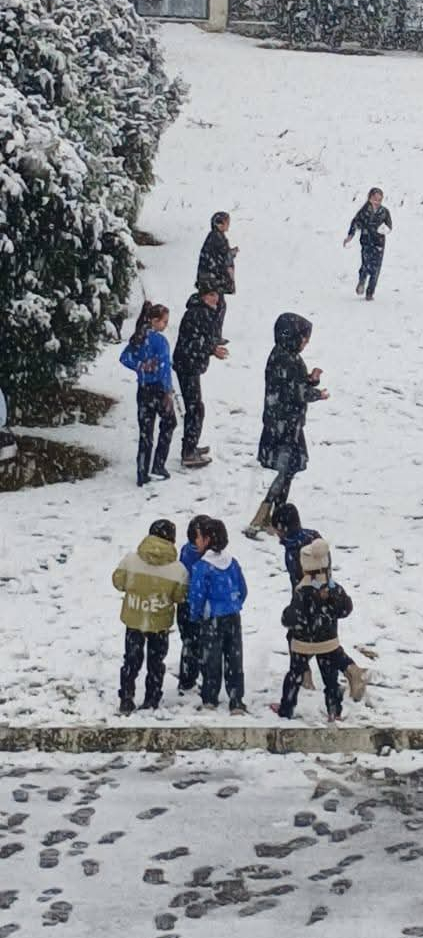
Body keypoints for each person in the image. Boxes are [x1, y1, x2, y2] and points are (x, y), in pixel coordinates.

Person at [245, 313, 328, 537]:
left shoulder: (283, 356)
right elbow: (296, 392)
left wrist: (310, 379)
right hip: (285, 423)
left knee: (288, 468)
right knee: (288, 468)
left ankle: (274, 512)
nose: (306, 343)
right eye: (304, 338)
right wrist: (316, 393)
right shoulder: (288, 360)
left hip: (282, 421)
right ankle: (266, 512)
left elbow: (292, 384)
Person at [270, 510, 367, 700]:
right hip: (328, 598)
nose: (276, 534)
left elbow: (301, 581)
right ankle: (347, 671)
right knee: (327, 643)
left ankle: (311, 678)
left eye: (277, 529)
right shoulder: (313, 537)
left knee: (300, 640)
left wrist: (298, 604)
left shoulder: (294, 549)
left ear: (283, 528)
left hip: (309, 601)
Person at [111, 518, 189, 715]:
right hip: (160, 622)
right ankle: (152, 699)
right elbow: (180, 596)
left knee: (131, 660)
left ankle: (127, 697)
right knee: (156, 662)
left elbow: (118, 582)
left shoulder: (130, 560)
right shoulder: (179, 570)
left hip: (134, 619)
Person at [186, 517, 249, 713]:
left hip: (211, 617)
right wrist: (234, 603)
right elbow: (243, 589)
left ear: (206, 540)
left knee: (211, 659)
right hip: (232, 615)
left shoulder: (202, 566)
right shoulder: (232, 563)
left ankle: (210, 698)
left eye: (198, 538)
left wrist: (195, 615)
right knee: (234, 658)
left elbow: (196, 595)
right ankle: (236, 699)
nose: (196, 542)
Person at [119, 301, 176, 485]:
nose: (165, 325)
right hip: (159, 389)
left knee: (146, 432)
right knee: (169, 423)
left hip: (143, 390)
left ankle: (142, 472)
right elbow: (165, 368)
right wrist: (168, 391)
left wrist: (140, 366)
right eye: (164, 322)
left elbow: (124, 357)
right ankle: (159, 464)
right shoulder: (160, 342)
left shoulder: (138, 338)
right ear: (154, 320)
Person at [173, 281, 229, 469]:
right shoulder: (197, 314)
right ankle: (188, 451)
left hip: (190, 364)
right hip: (186, 365)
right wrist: (213, 349)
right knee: (195, 408)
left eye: (218, 295)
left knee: (195, 407)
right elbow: (194, 342)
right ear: (203, 296)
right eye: (212, 295)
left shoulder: (203, 311)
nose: (217, 299)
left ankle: (191, 446)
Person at [176, 513, 213, 693]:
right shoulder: (204, 557)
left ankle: (187, 678)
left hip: (184, 603)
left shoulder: (185, 550)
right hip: (198, 604)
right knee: (202, 644)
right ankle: (201, 678)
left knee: (188, 643)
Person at [344, 187, 393, 301]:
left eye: (379, 199)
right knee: (366, 265)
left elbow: (389, 226)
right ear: (370, 198)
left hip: (379, 244)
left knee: (376, 269)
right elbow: (355, 223)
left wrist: (383, 229)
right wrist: (350, 236)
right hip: (366, 242)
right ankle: (361, 282)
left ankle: (370, 292)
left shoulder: (384, 212)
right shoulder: (364, 211)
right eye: (375, 199)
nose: (377, 202)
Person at [196, 211, 237, 327]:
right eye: (226, 222)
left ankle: (212, 332)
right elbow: (222, 256)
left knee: (217, 304)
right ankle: (212, 332)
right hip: (212, 279)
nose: (228, 225)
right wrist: (231, 253)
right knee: (216, 305)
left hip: (211, 278)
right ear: (219, 224)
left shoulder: (216, 237)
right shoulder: (216, 237)